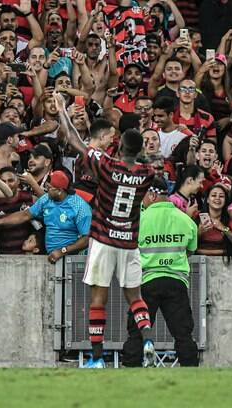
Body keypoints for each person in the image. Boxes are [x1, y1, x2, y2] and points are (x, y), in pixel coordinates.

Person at [56, 92, 157, 369]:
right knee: (135, 298)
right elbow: (146, 161)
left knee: (98, 300)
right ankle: (148, 339)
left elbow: (77, 142)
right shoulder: (146, 173)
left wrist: (62, 112)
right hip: (129, 242)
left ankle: (97, 359)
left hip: (102, 239)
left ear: (120, 144)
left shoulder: (108, 166)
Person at [122, 177, 199, 367]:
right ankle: (192, 373)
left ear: (152, 194)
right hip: (176, 281)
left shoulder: (139, 221)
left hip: (146, 282)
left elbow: (129, 252)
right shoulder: (186, 220)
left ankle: (129, 371)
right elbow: (190, 250)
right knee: (183, 334)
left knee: (137, 332)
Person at [0, 169, 91, 262]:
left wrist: (62, 251)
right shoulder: (46, 199)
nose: (46, 190)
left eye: (49, 188)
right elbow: (25, 215)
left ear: (59, 191)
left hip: (73, 258)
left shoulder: (79, 207)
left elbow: (86, 238)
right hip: (51, 255)